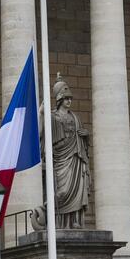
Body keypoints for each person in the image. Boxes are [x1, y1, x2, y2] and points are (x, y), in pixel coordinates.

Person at [40, 74, 91, 229]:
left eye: (70, 99)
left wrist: (85, 136)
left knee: (77, 188)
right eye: (66, 98)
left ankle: (75, 220)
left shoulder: (76, 117)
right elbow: (41, 134)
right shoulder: (52, 116)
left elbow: (81, 137)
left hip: (75, 156)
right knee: (62, 191)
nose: (69, 101)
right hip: (59, 158)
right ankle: (56, 220)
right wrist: (41, 113)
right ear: (60, 99)